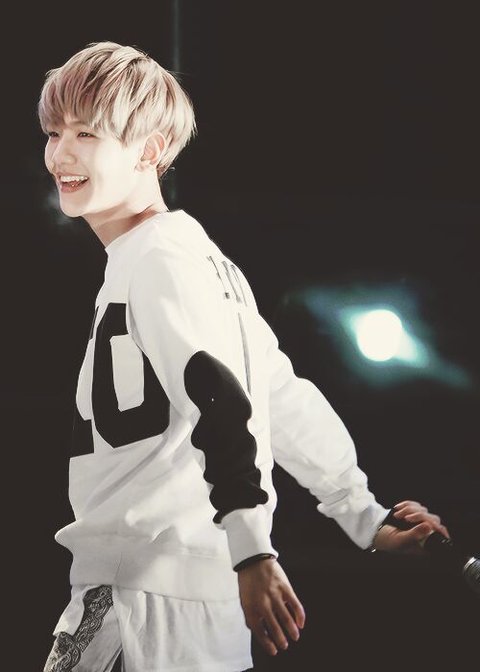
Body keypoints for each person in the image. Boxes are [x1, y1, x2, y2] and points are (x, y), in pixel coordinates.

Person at [38, 41, 449, 672]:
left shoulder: (158, 259)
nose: (61, 152)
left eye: (86, 133)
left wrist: (253, 549)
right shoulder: (195, 258)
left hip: (146, 602)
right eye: (55, 132)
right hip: (192, 601)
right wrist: (363, 516)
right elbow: (279, 397)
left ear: (149, 150)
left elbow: (222, 400)